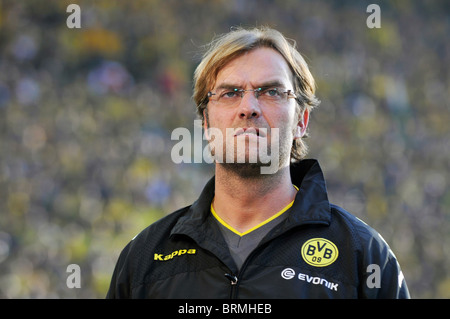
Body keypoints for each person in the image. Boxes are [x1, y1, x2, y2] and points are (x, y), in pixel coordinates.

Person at [106, 26, 410, 298]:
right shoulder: (144, 257)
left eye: (271, 92)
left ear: (301, 122)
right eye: (229, 93)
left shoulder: (363, 256)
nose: (248, 107)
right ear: (206, 125)